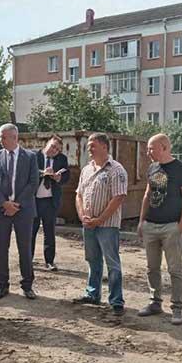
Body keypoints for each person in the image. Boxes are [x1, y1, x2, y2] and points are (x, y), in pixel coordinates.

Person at [136, 133, 182, 325]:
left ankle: (177, 308)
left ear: (164, 147)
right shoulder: (152, 168)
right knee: (152, 267)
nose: (148, 152)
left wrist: (181, 226)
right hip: (151, 225)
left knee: (174, 269)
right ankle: (155, 302)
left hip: (171, 227)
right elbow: (147, 195)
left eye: (151, 148)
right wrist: (141, 221)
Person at [72, 133, 128, 316]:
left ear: (104, 146)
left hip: (108, 226)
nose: (89, 148)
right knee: (92, 260)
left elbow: (118, 198)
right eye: (89, 145)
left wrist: (100, 219)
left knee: (112, 262)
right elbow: (79, 195)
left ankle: (116, 300)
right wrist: (82, 215)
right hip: (89, 224)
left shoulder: (116, 170)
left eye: (93, 145)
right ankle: (92, 293)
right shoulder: (86, 169)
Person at [0, 123, 39, 300]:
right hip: (1, 211)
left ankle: (27, 285)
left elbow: (33, 182)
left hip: (23, 211)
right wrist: (4, 204)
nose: (0, 140)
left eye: (3, 137)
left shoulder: (30, 157)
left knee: (25, 248)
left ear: (14, 137)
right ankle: (2, 285)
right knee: (1, 249)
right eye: (0, 137)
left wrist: (16, 204)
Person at [32, 134, 70, 271]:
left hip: (50, 201)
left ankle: (49, 261)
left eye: (57, 149)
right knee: (31, 231)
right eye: (53, 146)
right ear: (47, 143)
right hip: (34, 200)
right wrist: (43, 173)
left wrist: (59, 178)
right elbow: (27, 173)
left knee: (49, 232)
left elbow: (67, 176)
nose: (54, 151)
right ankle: (28, 259)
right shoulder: (34, 156)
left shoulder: (62, 159)